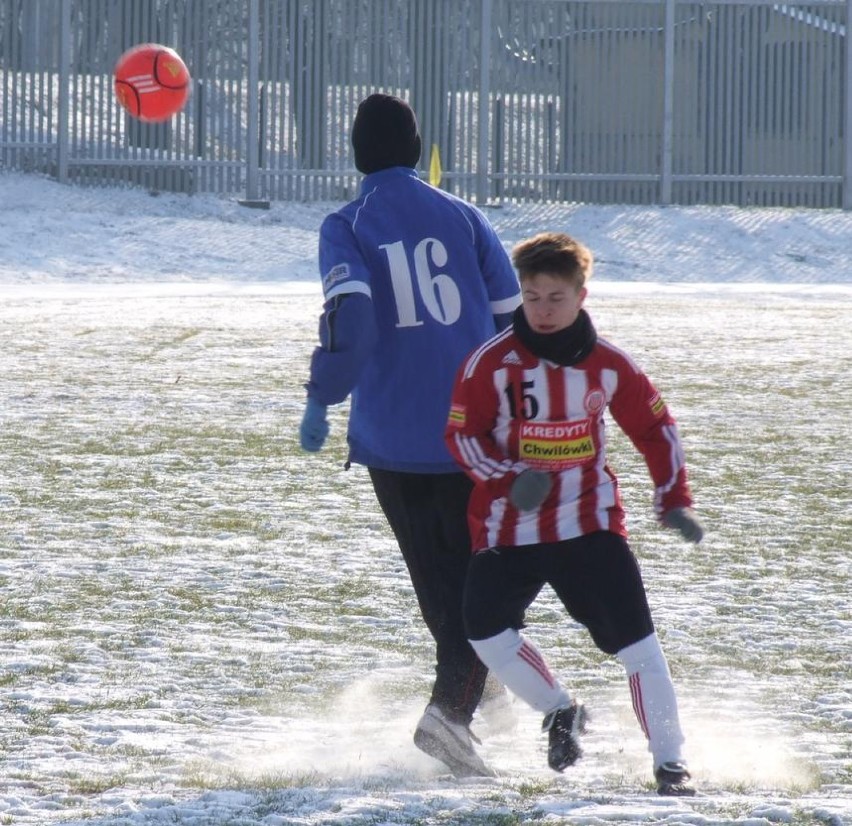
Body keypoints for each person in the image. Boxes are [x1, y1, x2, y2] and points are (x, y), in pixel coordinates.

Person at [298, 93, 522, 777]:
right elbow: (515, 322)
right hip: (473, 436)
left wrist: (322, 396)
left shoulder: (346, 224)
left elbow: (356, 320)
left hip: (393, 441)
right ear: (419, 148)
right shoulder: (464, 216)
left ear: (355, 153)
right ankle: (455, 714)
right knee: (478, 588)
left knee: (443, 587)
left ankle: (472, 703)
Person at [445, 231, 704, 796]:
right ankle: (560, 710)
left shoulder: (609, 363)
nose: (542, 309)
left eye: (555, 297)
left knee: (638, 646)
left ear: (581, 295)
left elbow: (657, 428)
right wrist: (511, 478)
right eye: (532, 296)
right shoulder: (489, 363)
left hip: (589, 525)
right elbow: (462, 437)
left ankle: (671, 763)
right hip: (508, 526)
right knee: (485, 634)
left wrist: (674, 497)